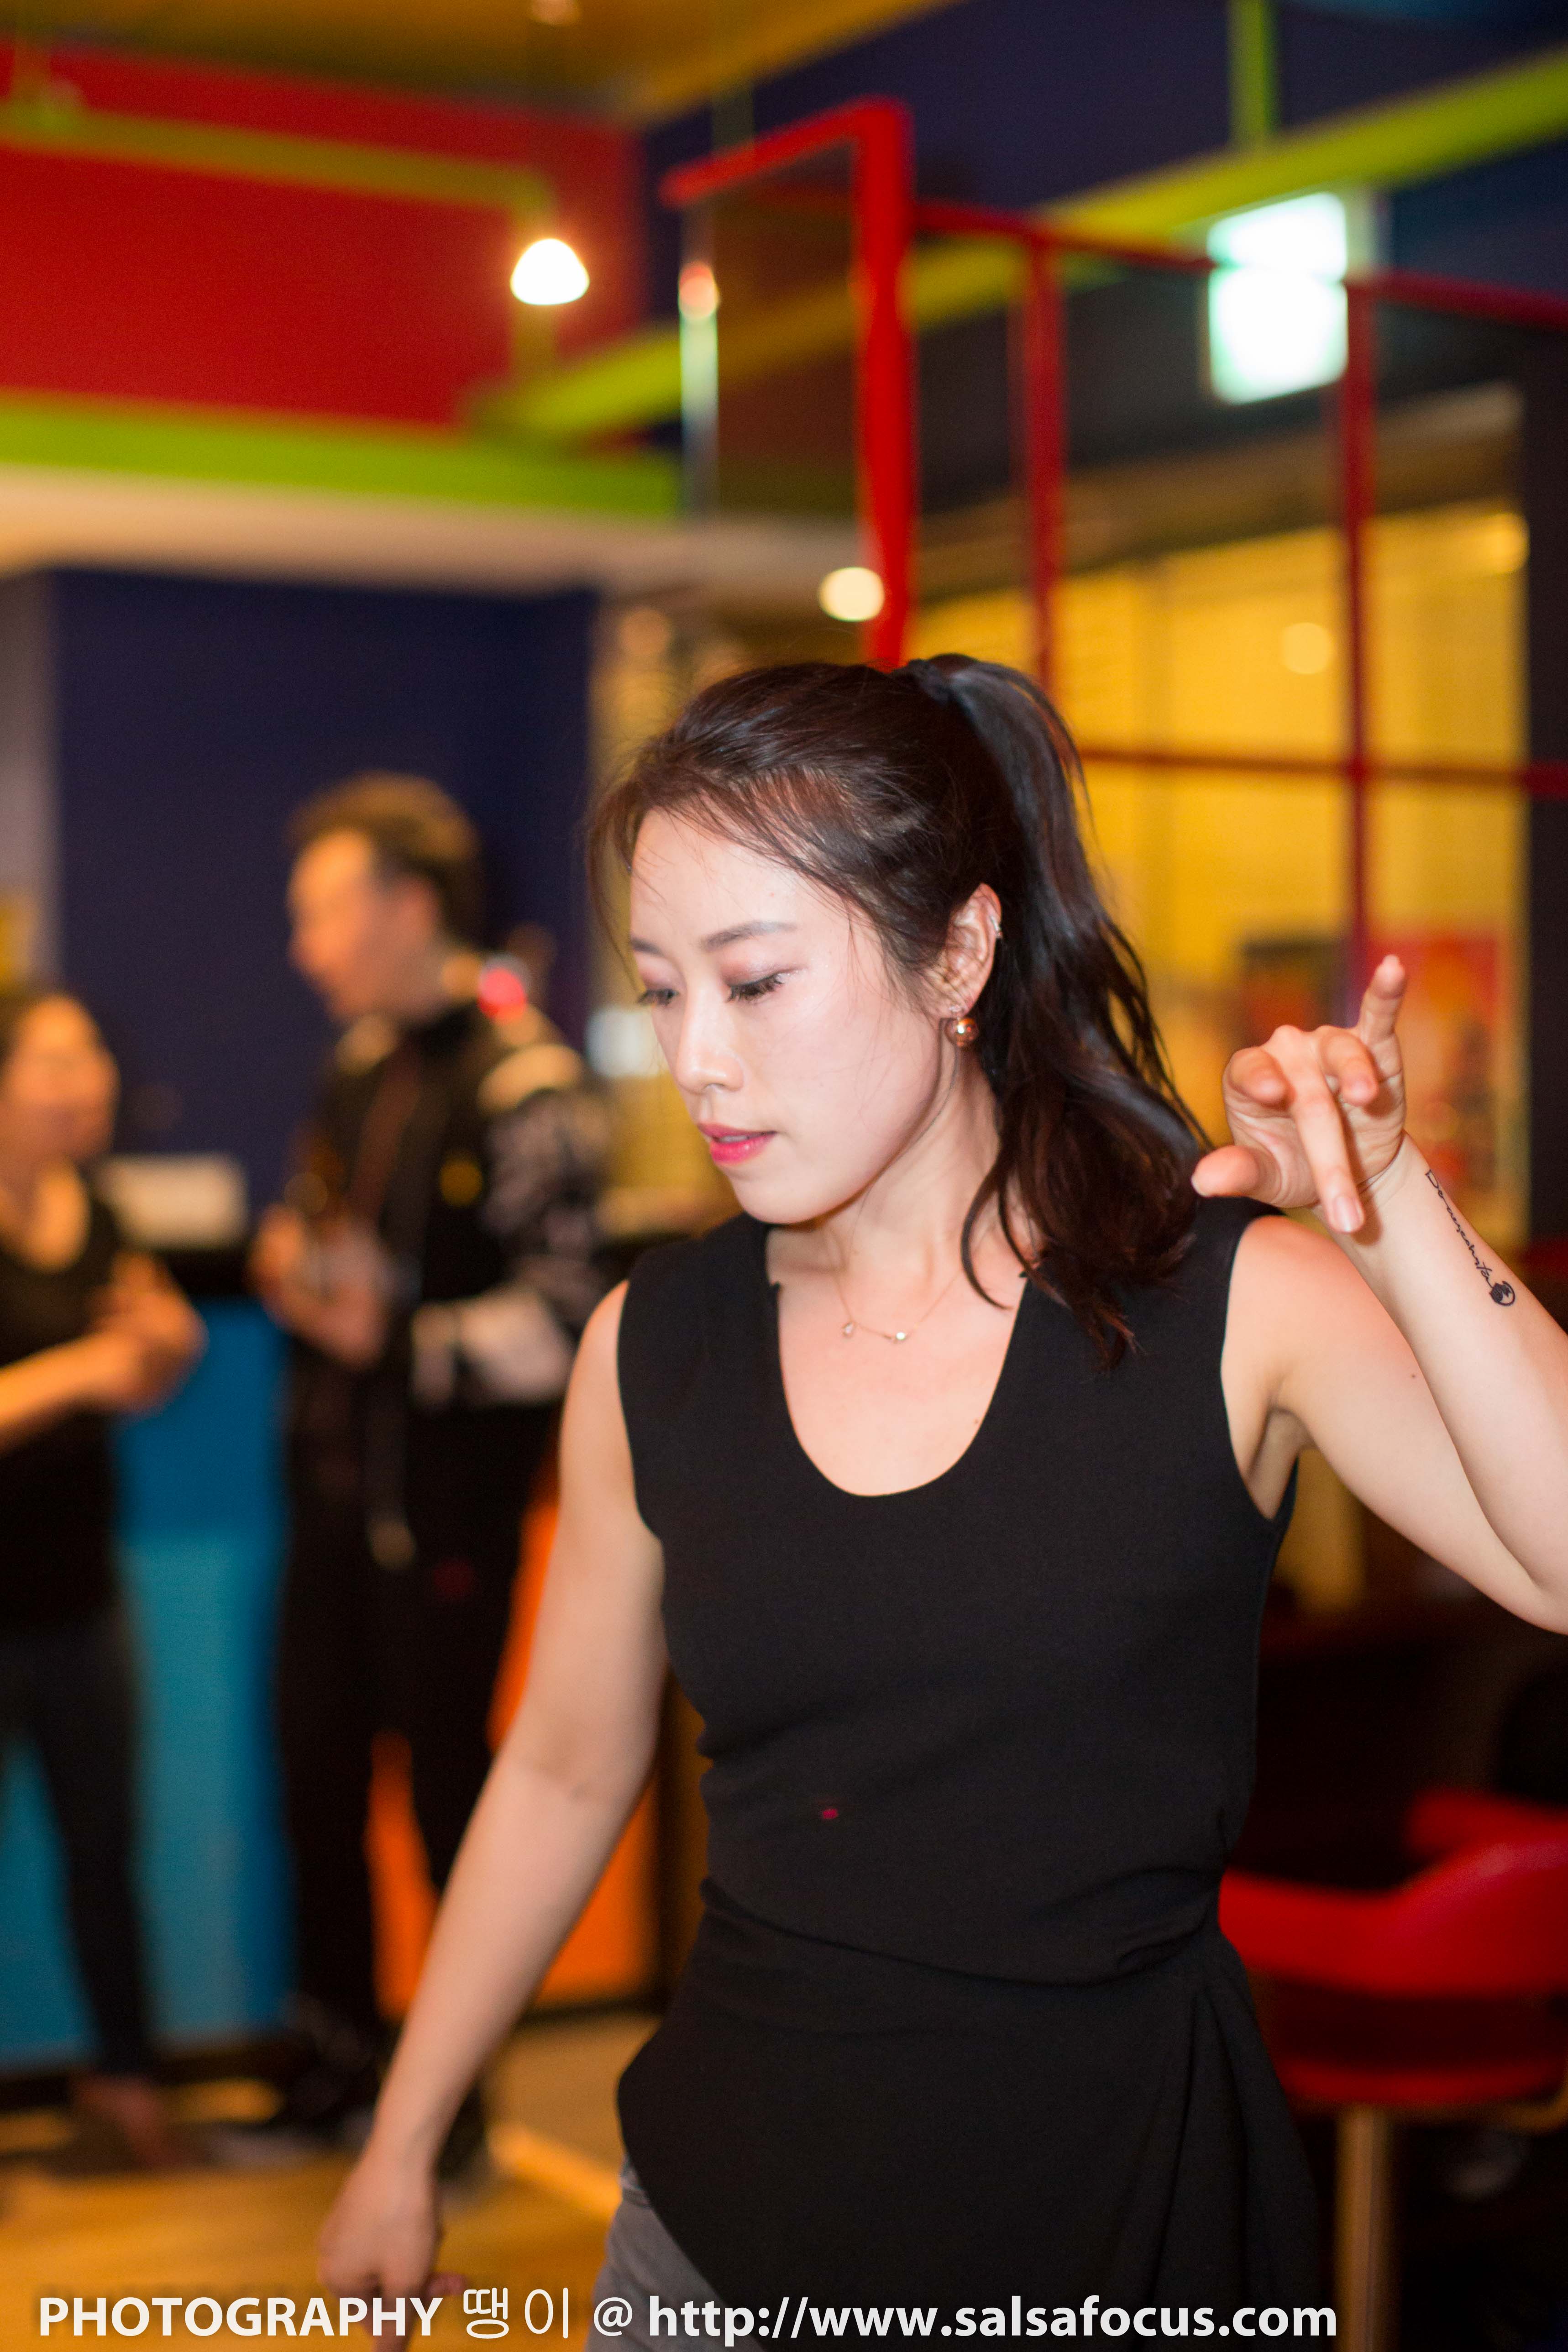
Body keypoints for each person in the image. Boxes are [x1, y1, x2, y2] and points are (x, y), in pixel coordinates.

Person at [318, 659, 1568, 2331]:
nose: (697, 1061)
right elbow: (558, 1768)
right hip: (719, 2231)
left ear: (959, 955)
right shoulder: (655, 1342)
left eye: (756, 982)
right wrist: (405, 2134)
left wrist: (1388, 1189)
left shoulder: (1219, 1297)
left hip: (1116, 2221)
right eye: (663, 992)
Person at [248, 773, 607, 2157]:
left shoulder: (527, 1084)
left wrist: (392, 1337)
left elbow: (564, 1324)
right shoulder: (356, 1065)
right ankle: (334, 2074)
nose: (304, 949)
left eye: (322, 913)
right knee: (314, 1788)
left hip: (447, 1516)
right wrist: (300, 1261)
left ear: (407, 907)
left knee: (456, 1804)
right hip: (333, 1504)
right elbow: (338, 1235)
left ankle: (452, 2110)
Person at [0, 988, 203, 2168]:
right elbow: (92, 1373)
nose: (91, 1082)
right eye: (59, 1060)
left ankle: (127, 2089)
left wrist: (167, 1346)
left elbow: (150, 1355)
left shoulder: (103, 1211)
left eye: (94, 1059)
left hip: (81, 1591)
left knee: (103, 1850)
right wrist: (91, 1367)